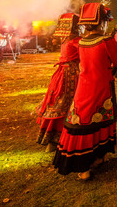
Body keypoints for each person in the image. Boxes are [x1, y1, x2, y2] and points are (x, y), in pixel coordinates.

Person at [53, 3, 117, 180]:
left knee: (82, 122)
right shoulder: (105, 41)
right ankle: (98, 157)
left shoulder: (81, 41)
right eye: (106, 22)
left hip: (83, 88)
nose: (107, 26)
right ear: (101, 23)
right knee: (100, 120)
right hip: (101, 88)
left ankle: (84, 168)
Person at [36, 13, 84, 152]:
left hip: (61, 74)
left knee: (57, 102)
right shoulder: (77, 40)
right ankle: (64, 137)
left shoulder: (65, 39)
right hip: (71, 74)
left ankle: (51, 140)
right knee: (69, 104)